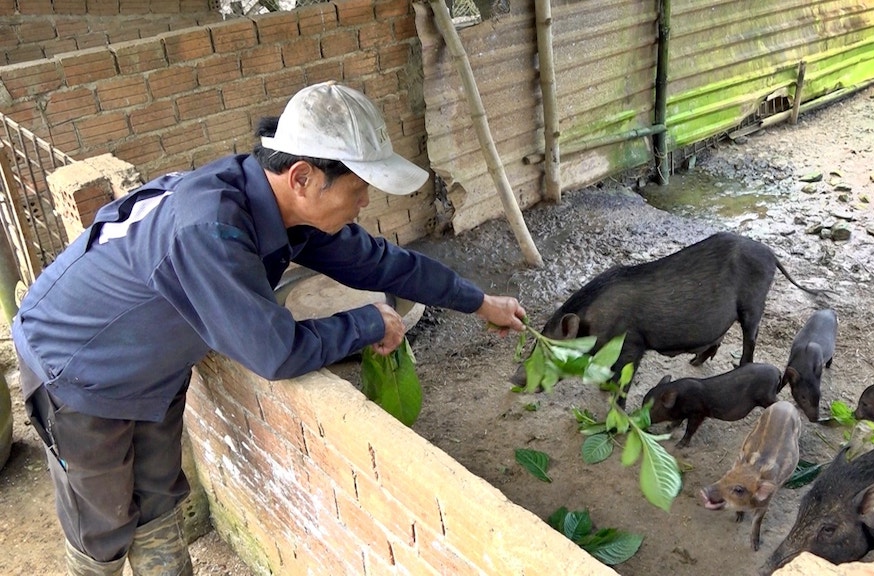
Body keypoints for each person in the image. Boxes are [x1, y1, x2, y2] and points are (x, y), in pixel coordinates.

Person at [12, 81, 527, 576]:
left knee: (158, 498)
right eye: (359, 188)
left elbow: (385, 264)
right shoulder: (212, 228)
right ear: (303, 177)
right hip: (78, 369)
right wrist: (368, 321)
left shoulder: (285, 209)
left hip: (153, 368)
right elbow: (275, 352)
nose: (364, 202)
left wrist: (482, 303)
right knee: (101, 524)